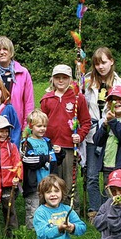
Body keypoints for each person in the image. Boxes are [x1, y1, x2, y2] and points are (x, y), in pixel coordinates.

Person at [83, 47, 121, 221]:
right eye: (97, 63)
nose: (100, 66)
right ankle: (94, 211)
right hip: (92, 133)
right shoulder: (87, 81)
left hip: (112, 134)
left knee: (108, 173)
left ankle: (109, 208)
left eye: (103, 62)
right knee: (92, 174)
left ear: (111, 61)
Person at [40, 64, 91, 212]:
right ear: (52, 79)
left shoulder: (77, 98)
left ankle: (72, 211)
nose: (60, 80)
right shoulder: (47, 99)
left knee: (69, 180)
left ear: (70, 79)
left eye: (64, 78)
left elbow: (86, 122)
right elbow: (40, 122)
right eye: (57, 78)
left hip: (69, 146)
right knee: (52, 180)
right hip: (50, 147)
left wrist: (80, 136)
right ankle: (51, 210)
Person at [29, 174, 86, 239]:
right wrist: (59, 229)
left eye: (56, 191)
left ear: (62, 193)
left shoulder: (67, 210)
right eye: (48, 192)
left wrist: (73, 228)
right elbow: (43, 233)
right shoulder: (40, 212)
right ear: (43, 195)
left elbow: (82, 227)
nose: (53, 195)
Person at [21, 109, 62, 230]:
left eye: (44, 126)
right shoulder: (26, 143)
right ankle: (31, 233)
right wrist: (45, 158)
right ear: (31, 126)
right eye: (39, 126)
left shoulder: (47, 142)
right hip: (34, 185)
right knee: (33, 210)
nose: (42, 129)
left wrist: (60, 153)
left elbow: (55, 161)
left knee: (49, 208)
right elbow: (28, 161)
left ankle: (49, 230)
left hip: (49, 185)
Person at [92, 86, 121, 187]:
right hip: (108, 164)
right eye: (112, 100)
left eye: (120, 99)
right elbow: (97, 141)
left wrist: (113, 122)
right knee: (109, 195)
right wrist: (104, 126)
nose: (116, 102)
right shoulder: (107, 119)